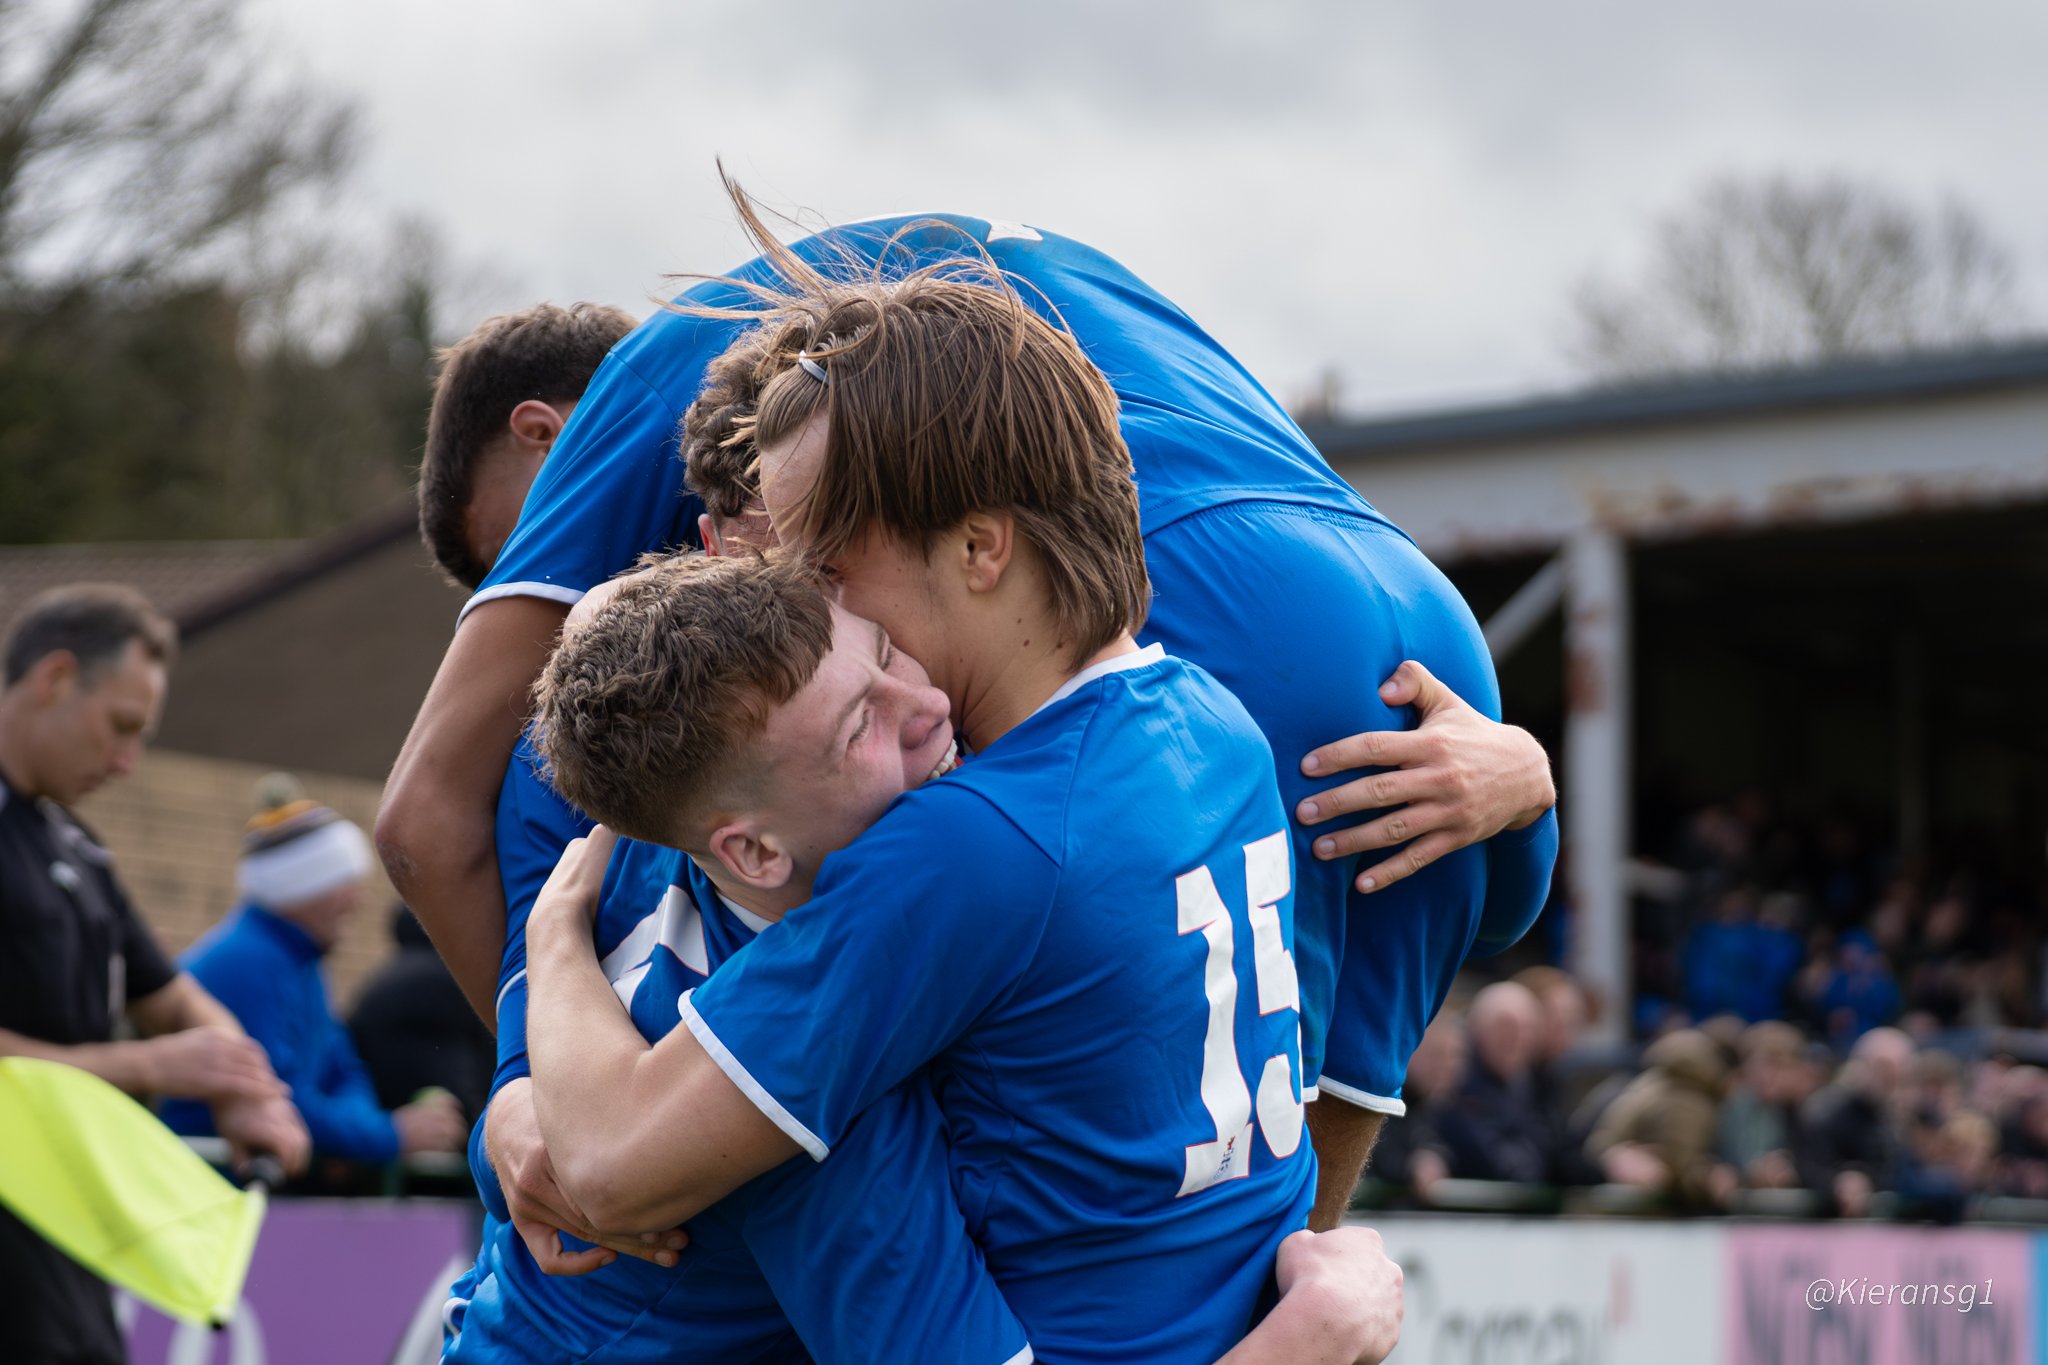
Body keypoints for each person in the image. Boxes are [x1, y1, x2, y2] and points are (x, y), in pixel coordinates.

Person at [385, 200, 1557, 1232]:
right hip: (1423, 635)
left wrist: (534, 1087)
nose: (608, 599)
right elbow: (1508, 912)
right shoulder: (940, 297)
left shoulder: (661, 383)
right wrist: (1526, 779)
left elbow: (425, 819)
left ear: (549, 434)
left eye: (818, 549)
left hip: (1205, 599)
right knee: (1281, 1238)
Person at [523, 269, 1321, 1361]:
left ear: (978, 549)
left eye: (825, 566)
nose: (798, 603)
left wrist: (548, 942)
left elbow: (611, 1170)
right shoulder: (1210, 721)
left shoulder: (965, 846)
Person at [0, 584, 309, 1365]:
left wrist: (244, 1083)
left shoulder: (74, 845)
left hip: (69, 1256)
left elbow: (168, 996)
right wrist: (147, 1065)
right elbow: (157, 1042)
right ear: (55, 677)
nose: (128, 762)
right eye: (120, 728)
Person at [162, 784, 467, 1165]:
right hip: (215, 1182)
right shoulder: (247, 960)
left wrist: (369, 1132)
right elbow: (277, 1097)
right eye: (344, 882)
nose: (357, 901)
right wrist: (388, 1135)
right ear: (303, 886)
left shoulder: (300, 960)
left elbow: (342, 1069)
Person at [349, 904, 494, 1124]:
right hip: (414, 1139)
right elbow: (453, 1084)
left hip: (380, 1123)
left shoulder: (397, 972)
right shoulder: (440, 981)